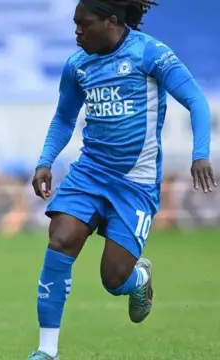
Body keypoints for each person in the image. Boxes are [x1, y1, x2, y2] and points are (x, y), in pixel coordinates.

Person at [28, 1, 216, 359]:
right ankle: (46, 351)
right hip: (89, 173)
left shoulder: (150, 53)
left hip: (135, 183)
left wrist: (200, 154)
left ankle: (138, 279)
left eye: (85, 24)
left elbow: (195, 100)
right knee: (61, 240)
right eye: (75, 25)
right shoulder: (77, 65)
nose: (77, 32)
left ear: (111, 21)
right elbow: (64, 118)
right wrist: (45, 161)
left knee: (113, 279)